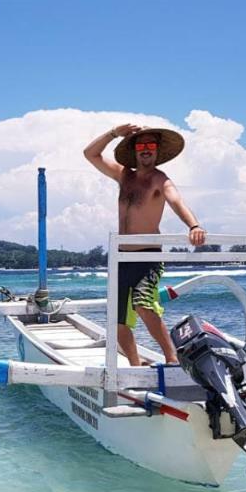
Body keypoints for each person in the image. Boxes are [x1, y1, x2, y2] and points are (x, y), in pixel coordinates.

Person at [83, 124, 206, 365]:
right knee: (117, 320)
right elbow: (90, 154)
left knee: (143, 304)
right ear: (135, 150)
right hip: (121, 258)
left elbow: (177, 201)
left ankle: (172, 360)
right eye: (141, 145)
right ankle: (135, 367)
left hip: (147, 256)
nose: (146, 149)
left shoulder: (160, 180)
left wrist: (194, 226)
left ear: (158, 151)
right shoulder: (124, 175)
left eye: (151, 145)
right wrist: (112, 133)